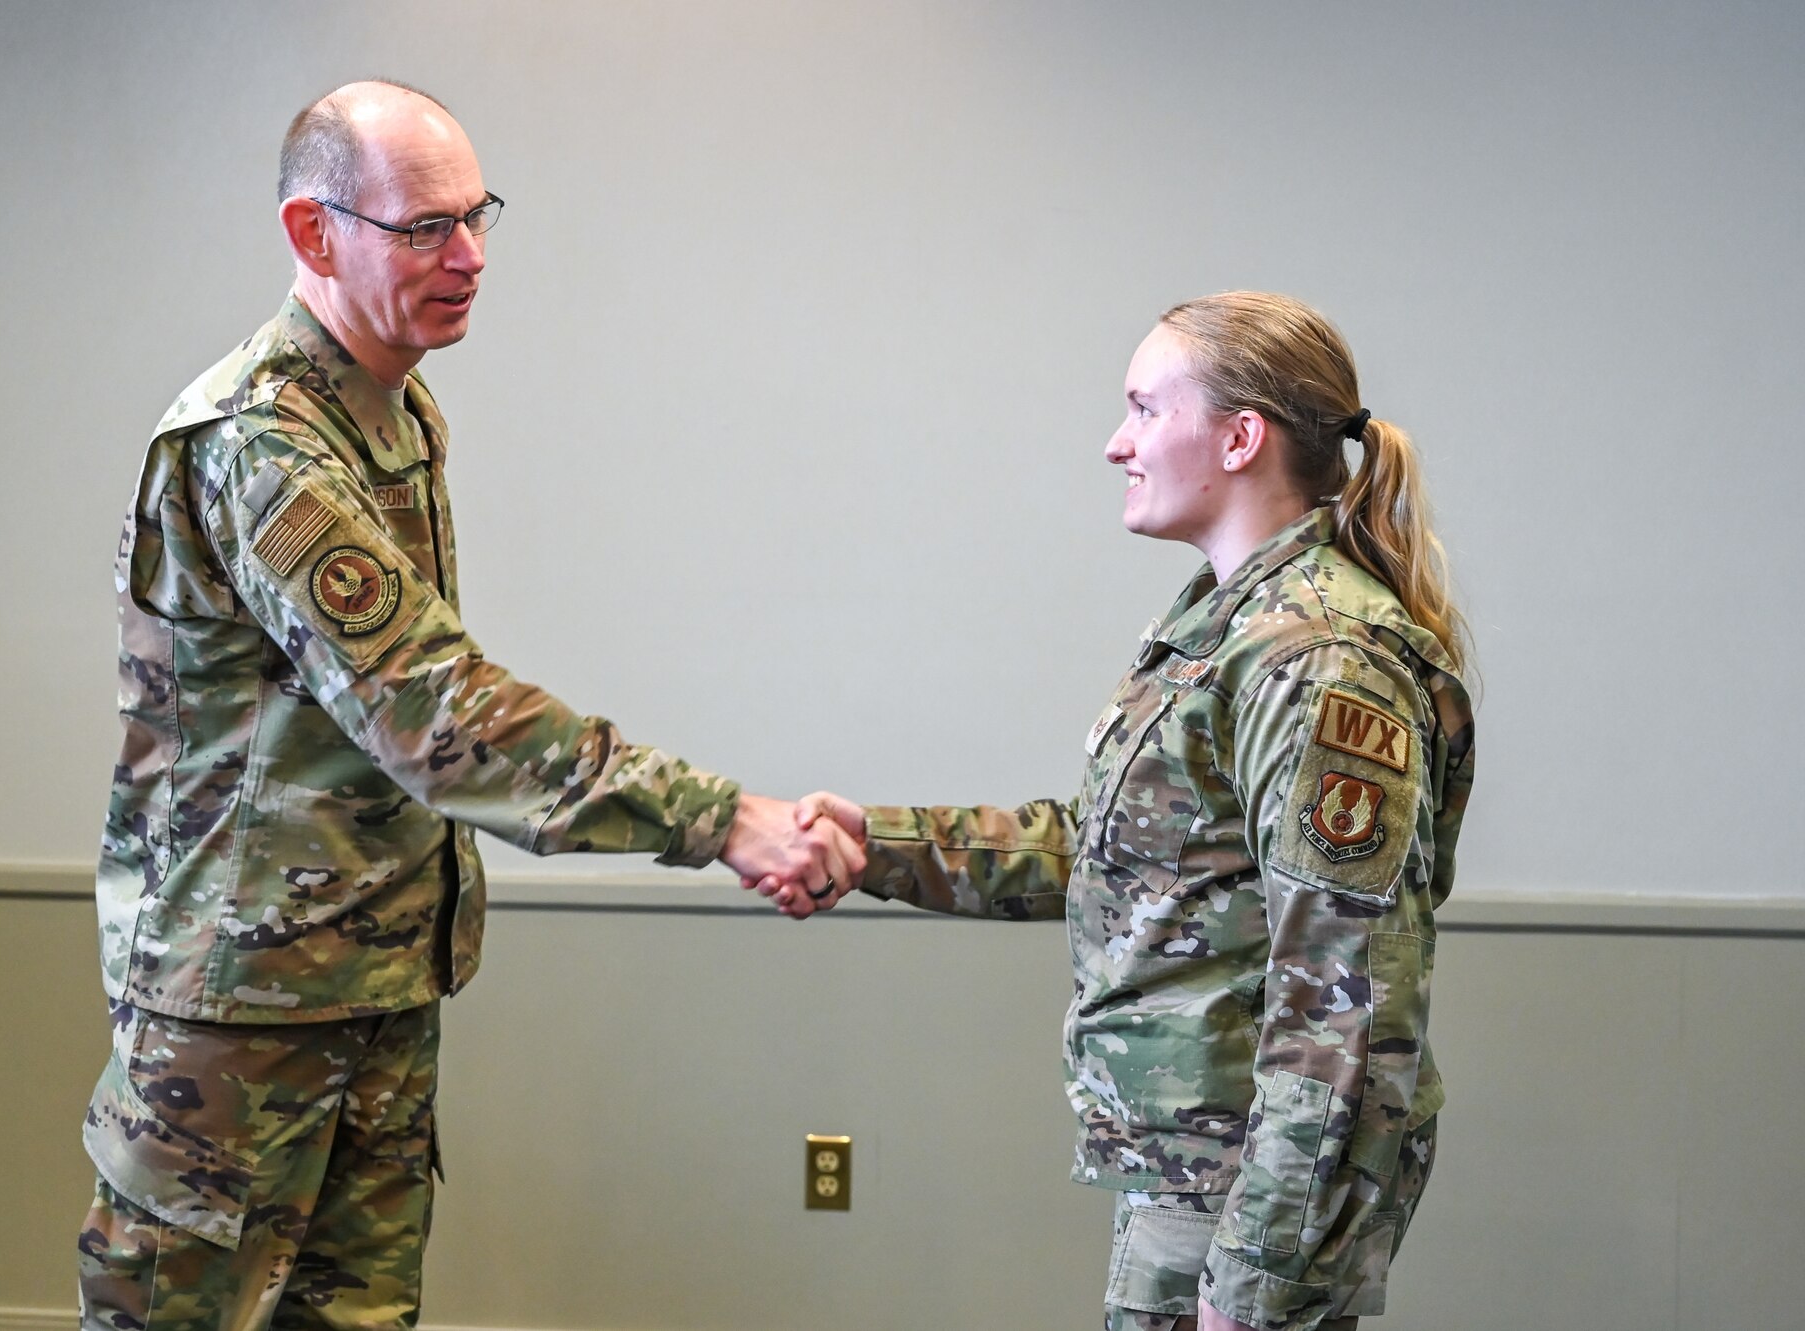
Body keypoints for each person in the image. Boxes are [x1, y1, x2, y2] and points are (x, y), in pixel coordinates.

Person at [78, 80, 863, 1330]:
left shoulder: (396, 406)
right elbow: (435, 716)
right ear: (313, 234)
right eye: (423, 229)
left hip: (373, 975)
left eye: (476, 216)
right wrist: (726, 820)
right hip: (243, 1005)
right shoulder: (262, 442)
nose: (468, 257)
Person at [761, 292, 1476, 1331]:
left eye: (1143, 407)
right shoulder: (1226, 621)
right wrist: (877, 846)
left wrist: (1260, 1278)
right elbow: (1115, 851)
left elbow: (1348, 1005)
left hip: (1243, 1198)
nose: (1115, 442)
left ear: (1239, 437)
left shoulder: (1317, 658)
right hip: (1196, 1177)